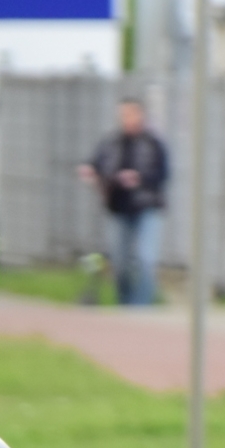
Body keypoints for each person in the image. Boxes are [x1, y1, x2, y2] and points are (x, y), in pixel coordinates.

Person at [81, 97, 169, 306]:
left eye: (130, 114)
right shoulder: (111, 142)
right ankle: (125, 303)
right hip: (119, 207)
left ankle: (142, 307)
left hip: (146, 206)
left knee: (145, 259)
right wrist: (90, 170)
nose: (126, 119)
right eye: (123, 114)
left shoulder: (153, 143)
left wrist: (140, 179)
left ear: (140, 115)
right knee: (119, 262)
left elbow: (163, 174)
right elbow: (96, 163)